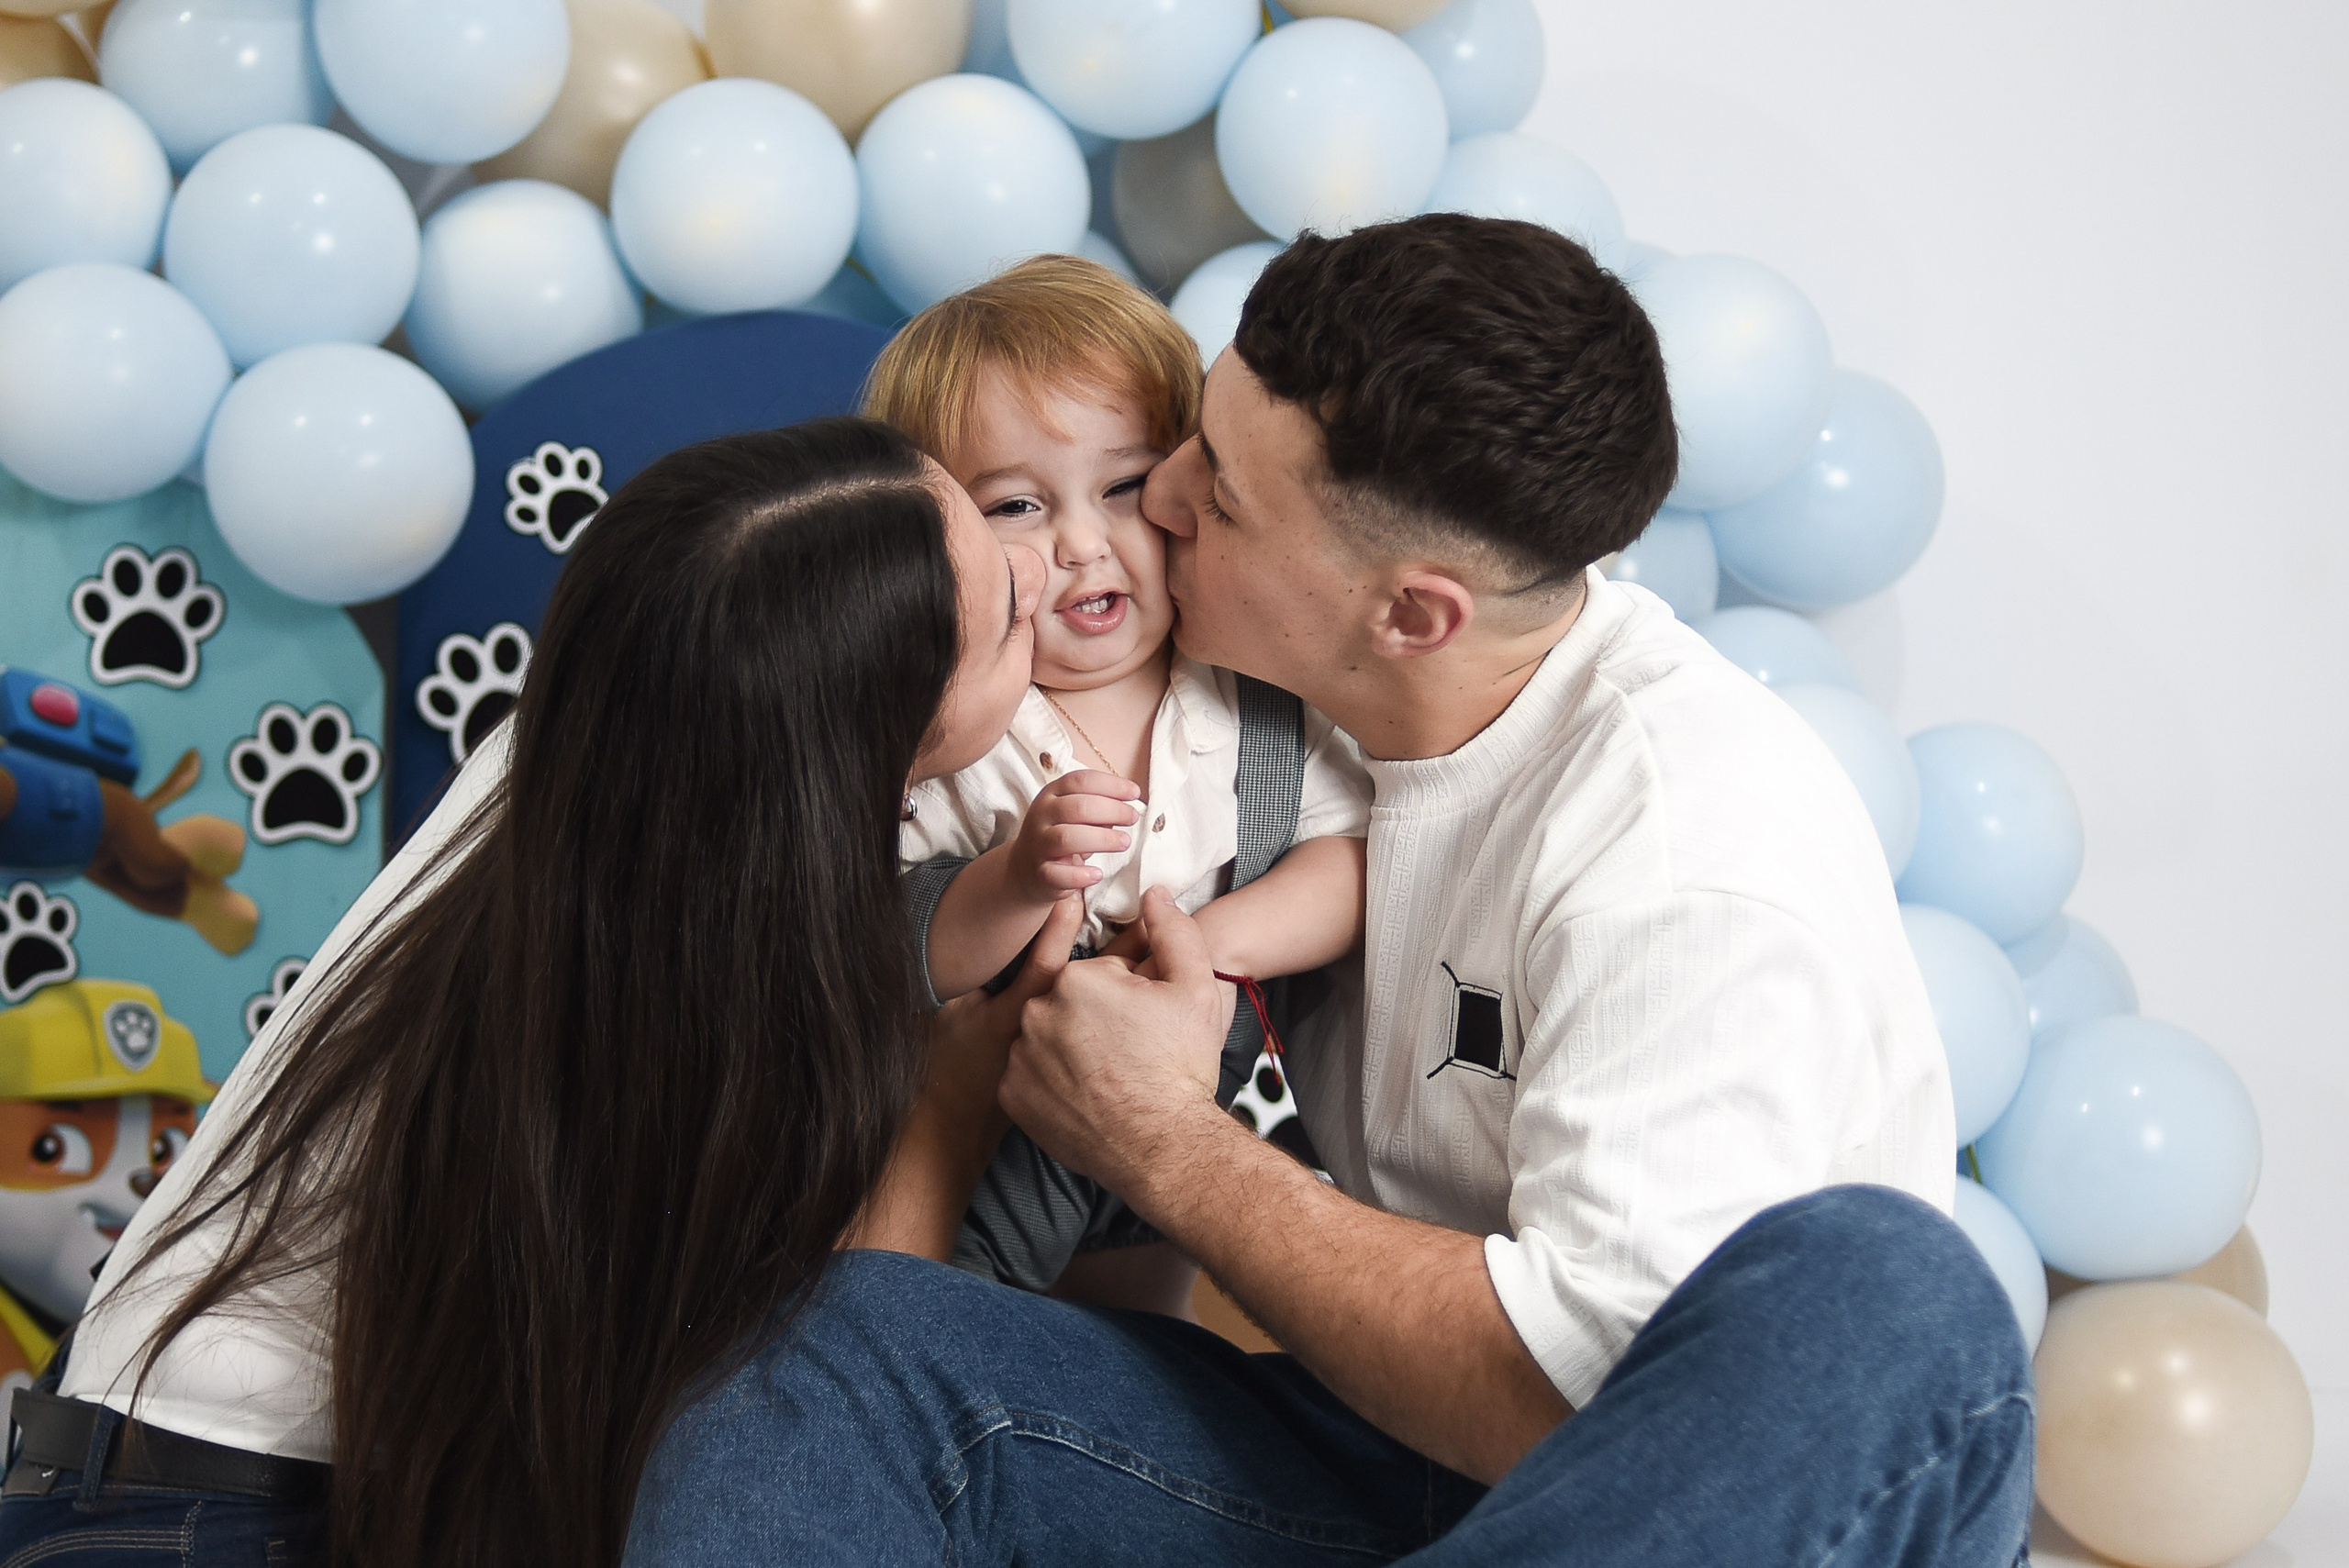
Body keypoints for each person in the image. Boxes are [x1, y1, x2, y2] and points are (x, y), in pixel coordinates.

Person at [624, 218, 2033, 1566]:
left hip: (1665, 1498)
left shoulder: (1681, 857)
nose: (1158, 504)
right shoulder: (1295, 708)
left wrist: (1159, 1140)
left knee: (1897, 1297)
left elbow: (1575, 1406)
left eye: (1211, 494)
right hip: (1399, 1469)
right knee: (829, 1345)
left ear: (1410, 613)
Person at [0, 418, 1063, 1568]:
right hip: (214, 1510)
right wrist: (948, 1111)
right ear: (876, 725)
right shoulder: (699, 939)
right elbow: (838, 1358)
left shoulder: (599, 742)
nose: (1053, 569)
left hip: (120, 1457)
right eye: (1011, 607)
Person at [866, 255, 1372, 1314]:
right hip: (1003, 1116)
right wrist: (1013, 877)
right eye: (1014, 505)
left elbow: (1346, 862)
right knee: (953, 1312)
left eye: (1126, 486)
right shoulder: (959, 721)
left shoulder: (1252, 684)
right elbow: (899, 939)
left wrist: (1215, 942)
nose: (1083, 543)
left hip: (1209, 1099)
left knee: (1158, 1313)